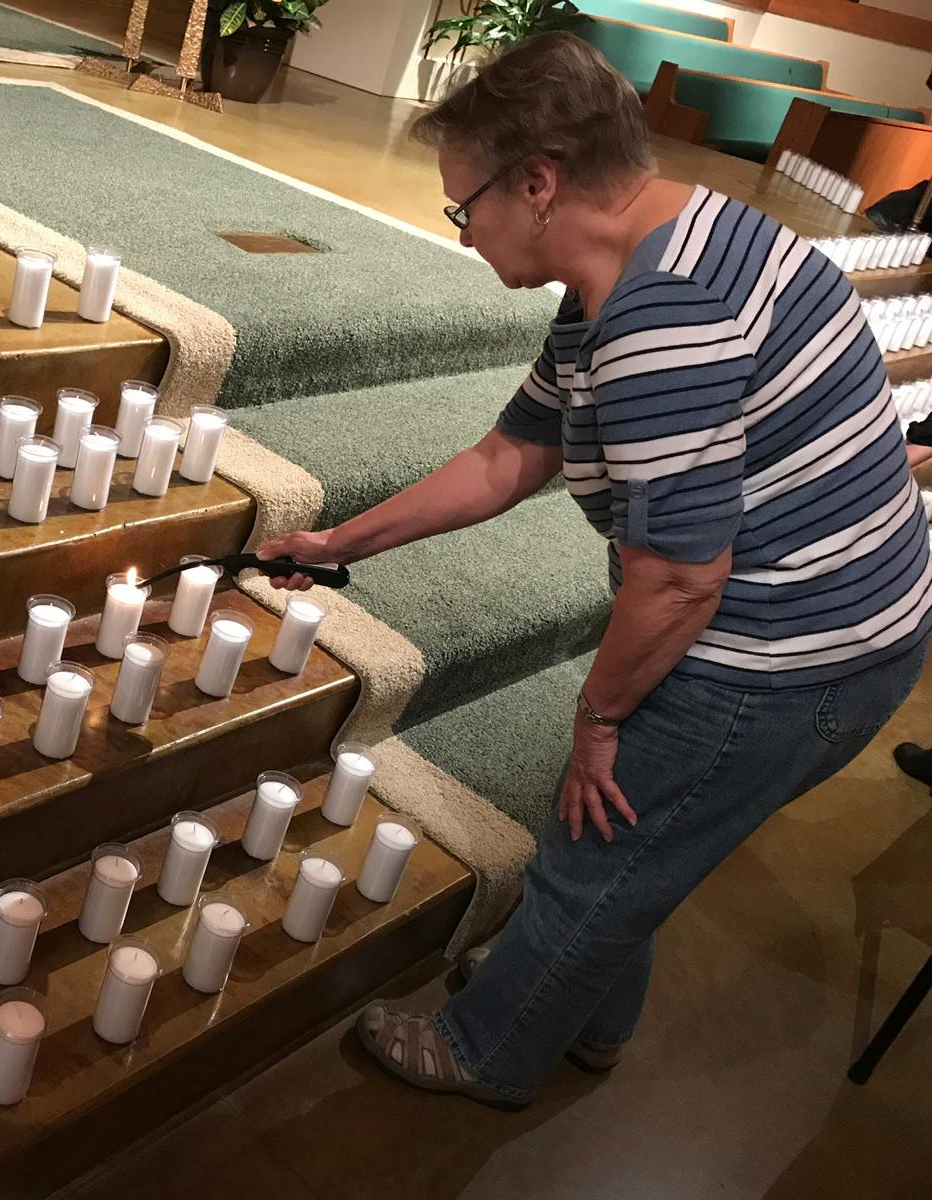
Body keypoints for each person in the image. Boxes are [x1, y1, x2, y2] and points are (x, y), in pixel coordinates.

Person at [259, 31, 932, 1109]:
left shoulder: (660, 326)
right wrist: (339, 544)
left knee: (596, 849)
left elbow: (677, 583)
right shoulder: (670, 246)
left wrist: (601, 718)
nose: (464, 233)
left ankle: (488, 1050)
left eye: (462, 207)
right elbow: (502, 458)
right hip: (842, 613)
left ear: (536, 183)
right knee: (635, 845)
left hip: (793, 655)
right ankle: (582, 1013)